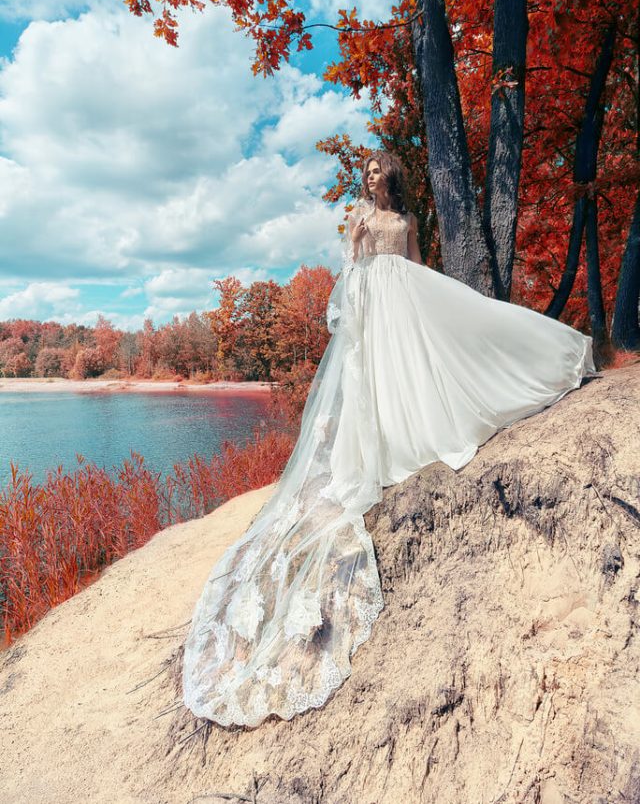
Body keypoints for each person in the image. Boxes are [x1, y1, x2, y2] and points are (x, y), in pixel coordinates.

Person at [181, 151, 597, 728]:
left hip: (403, 303)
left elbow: (420, 268)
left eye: (379, 172)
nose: (372, 178)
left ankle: (527, 368)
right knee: (370, 379)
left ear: (392, 178)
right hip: (370, 305)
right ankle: (381, 440)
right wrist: (352, 247)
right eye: (368, 173)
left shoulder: (405, 222)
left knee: (411, 371)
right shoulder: (360, 218)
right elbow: (350, 269)